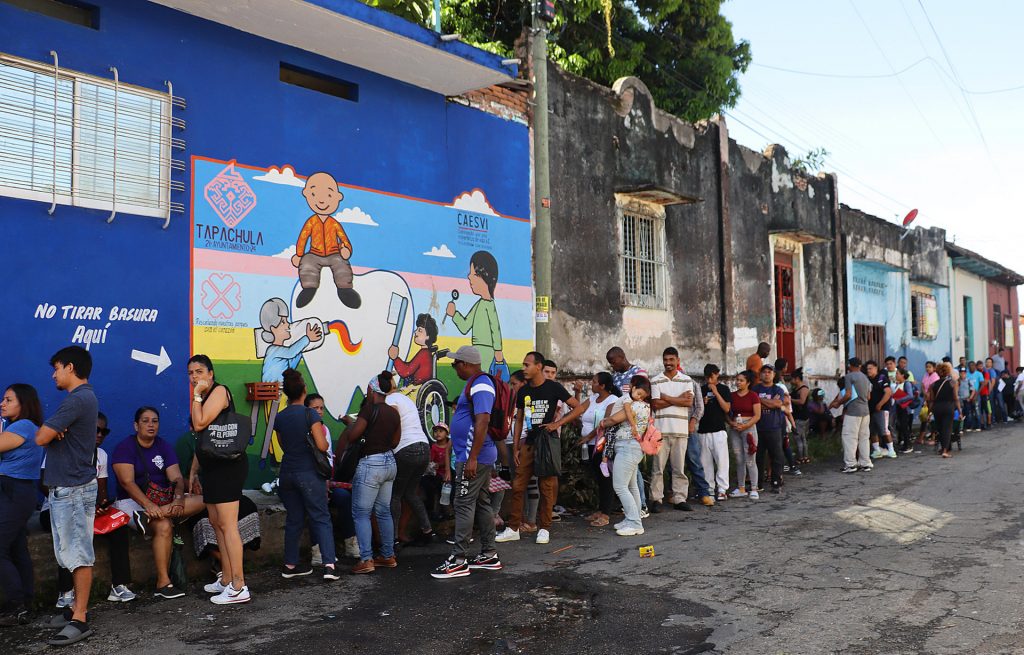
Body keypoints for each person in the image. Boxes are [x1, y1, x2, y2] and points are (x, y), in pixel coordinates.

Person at [34, 346, 99, 645]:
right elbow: (48, 433)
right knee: (69, 554)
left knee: (79, 555)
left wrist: (52, 430)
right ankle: (74, 609)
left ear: (70, 368)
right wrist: (54, 430)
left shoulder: (77, 400)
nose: (53, 374)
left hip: (73, 490)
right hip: (70, 488)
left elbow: (40, 437)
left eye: (57, 368)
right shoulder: (81, 400)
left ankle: (80, 618)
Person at [111, 407, 205, 598]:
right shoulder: (125, 447)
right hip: (131, 502)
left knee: (205, 499)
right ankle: (163, 582)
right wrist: (148, 505)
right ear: (136, 425)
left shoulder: (163, 446)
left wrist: (178, 498)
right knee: (163, 525)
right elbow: (126, 482)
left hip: (162, 502)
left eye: (155, 421)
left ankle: (148, 517)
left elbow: (177, 478)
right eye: (145, 421)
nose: (151, 425)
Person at [43, 412, 134, 608]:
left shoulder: (101, 455)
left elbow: (101, 491)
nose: (100, 434)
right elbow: (44, 483)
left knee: (119, 528)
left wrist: (100, 506)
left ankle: (119, 585)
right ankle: (66, 591)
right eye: (96, 430)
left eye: (104, 431)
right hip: (57, 507)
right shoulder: (61, 448)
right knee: (69, 530)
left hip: (87, 510)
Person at [431, 346, 504, 578]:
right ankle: (489, 554)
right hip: (476, 455)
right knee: (481, 502)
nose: (454, 368)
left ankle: (458, 559)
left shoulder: (481, 384)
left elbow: (483, 419)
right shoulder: (476, 383)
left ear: (465, 363)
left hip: (474, 457)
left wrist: (472, 457)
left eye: (455, 364)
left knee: (463, 503)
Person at [497, 351, 579, 545]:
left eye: (527, 365)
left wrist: (557, 424)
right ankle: (513, 528)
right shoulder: (524, 391)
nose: (524, 368)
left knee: (546, 487)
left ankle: (544, 528)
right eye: (524, 365)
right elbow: (518, 421)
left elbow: (579, 407)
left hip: (547, 444)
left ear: (538, 367)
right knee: (518, 486)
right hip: (529, 443)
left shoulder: (554, 387)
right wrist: (516, 447)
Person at [187, 354, 251, 604]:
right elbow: (202, 439)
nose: (195, 377)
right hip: (211, 467)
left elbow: (200, 423)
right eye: (191, 373)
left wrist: (197, 396)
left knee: (228, 525)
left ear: (211, 374)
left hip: (228, 467)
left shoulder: (220, 391)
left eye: (200, 371)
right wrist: (194, 469)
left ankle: (239, 585)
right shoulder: (203, 396)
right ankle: (226, 579)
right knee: (216, 523)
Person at [270, 369, 338, 580]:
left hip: (287, 473)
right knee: (321, 516)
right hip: (308, 473)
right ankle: (329, 565)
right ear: (304, 390)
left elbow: (282, 444)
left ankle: (290, 565)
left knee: (294, 519)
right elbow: (322, 444)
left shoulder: (280, 417)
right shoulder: (309, 414)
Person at [342, 372, 401, 573]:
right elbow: (395, 441)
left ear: (371, 390)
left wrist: (351, 424)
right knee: (383, 511)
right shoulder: (394, 412)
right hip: (389, 462)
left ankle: (366, 559)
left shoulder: (368, 409)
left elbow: (353, 436)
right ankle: (388, 555)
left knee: (361, 513)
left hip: (371, 464)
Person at [547, 372, 621, 527]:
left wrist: (589, 436)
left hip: (602, 444)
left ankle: (606, 513)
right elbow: (578, 410)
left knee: (605, 479)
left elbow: (605, 423)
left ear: (602, 386)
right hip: (589, 445)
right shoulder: (593, 399)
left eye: (594, 382)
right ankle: (600, 510)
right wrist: (560, 422)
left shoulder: (613, 400)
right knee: (598, 478)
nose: (591, 384)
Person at [0, 384, 45, 626]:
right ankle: (25, 603)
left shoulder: (23, 426)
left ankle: (16, 605)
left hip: (14, 491)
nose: (2, 404)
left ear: (23, 403)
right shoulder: (18, 427)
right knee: (16, 548)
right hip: (15, 491)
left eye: (8, 399)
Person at [650, 347, 712, 510]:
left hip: (681, 430)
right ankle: (657, 499)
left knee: (679, 468)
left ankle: (679, 498)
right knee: (658, 468)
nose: (668, 363)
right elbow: (655, 404)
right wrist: (678, 399)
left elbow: (689, 403)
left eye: (671, 360)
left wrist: (666, 397)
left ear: (678, 361)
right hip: (660, 430)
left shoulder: (686, 380)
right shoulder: (655, 380)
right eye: (665, 360)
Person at [292, 171, 360, 309]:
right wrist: (299, 255)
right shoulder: (311, 222)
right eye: (314, 194)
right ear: (307, 195)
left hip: (334, 253)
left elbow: (343, 238)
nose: (322, 200)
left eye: (329, 195)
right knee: (307, 264)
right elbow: (303, 238)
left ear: (337, 197)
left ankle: (345, 289)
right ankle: (309, 288)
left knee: (342, 265)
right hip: (314, 253)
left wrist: (346, 249)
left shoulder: (334, 224)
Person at [599, 375, 654, 536]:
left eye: (641, 394)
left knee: (620, 486)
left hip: (627, 447)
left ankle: (635, 523)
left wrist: (603, 422)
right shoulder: (644, 405)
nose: (639, 397)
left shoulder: (633, 405)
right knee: (631, 486)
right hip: (633, 447)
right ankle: (633, 518)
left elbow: (613, 420)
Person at [385, 372, 434, 547]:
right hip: (423, 447)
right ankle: (427, 530)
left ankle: (393, 538)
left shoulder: (390, 400)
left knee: (395, 495)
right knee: (411, 493)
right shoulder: (405, 398)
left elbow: (395, 419)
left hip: (406, 449)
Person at [446, 251, 508, 381]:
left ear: (483, 277)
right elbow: (464, 327)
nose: (469, 277)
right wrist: (454, 314)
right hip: (476, 352)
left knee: (483, 381)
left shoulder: (489, 305)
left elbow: (495, 330)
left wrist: (498, 355)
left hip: (487, 353)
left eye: (473, 274)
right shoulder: (479, 305)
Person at [605, 347, 650, 515]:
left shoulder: (639, 373)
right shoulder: (615, 376)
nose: (612, 365)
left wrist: (610, 420)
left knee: (631, 471)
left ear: (622, 357)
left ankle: (641, 507)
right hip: (620, 429)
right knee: (629, 474)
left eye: (613, 362)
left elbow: (639, 398)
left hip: (632, 426)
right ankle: (633, 508)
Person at [829, 357, 872, 473]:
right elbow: (868, 397)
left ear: (850, 366)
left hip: (853, 412)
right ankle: (865, 463)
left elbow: (848, 395)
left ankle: (851, 464)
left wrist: (839, 402)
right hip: (865, 411)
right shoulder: (865, 377)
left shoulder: (849, 377)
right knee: (864, 438)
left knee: (849, 437)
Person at [698, 364, 732, 502]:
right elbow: (697, 410)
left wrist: (716, 392)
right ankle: (709, 490)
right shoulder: (701, 390)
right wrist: (703, 403)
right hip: (703, 430)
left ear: (717, 374)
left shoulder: (724, 389)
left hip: (718, 430)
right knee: (705, 462)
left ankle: (722, 489)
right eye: (708, 377)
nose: (710, 380)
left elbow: (727, 408)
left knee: (722, 461)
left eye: (713, 376)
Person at [752, 365, 786, 492]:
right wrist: (769, 402)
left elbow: (777, 404)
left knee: (777, 456)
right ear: (760, 375)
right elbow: (755, 406)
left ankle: (776, 482)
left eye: (769, 372)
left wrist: (760, 400)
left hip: (774, 427)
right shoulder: (755, 389)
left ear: (773, 375)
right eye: (764, 372)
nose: (766, 374)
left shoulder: (778, 390)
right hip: (758, 427)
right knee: (758, 457)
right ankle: (758, 483)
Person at [726, 371, 761, 499]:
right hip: (735, 427)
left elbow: (757, 415)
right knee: (739, 458)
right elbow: (727, 412)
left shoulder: (753, 396)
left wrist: (745, 426)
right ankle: (741, 488)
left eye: (741, 380)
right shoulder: (732, 396)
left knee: (750, 459)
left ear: (748, 382)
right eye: (737, 380)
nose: (738, 382)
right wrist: (731, 423)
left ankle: (754, 488)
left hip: (749, 427)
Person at [389, 313, 439, 386]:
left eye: (420, 330)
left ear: (428, 336)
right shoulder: (425, 353)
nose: (415, 332)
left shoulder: (423, 354)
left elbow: (405, 372)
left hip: (417, 389)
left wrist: (395, 358)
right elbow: (410, 367)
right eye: (417, 330)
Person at [865, 361, 896, 459]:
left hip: (882, 409)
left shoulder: (882, 378)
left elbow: (888, 392)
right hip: (871, 409)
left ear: (876, 368)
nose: (868, 370)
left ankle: (891, 450)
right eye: (867, 369)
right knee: (872, 431)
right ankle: (877, 451)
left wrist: (880, 404)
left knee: (884, 430)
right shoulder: (868, 380)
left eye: (870, 368)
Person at [422, 422, 451, 520]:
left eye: (440, 431)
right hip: (437, 475)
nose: (437, 433)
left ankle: (448, 512)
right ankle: (437, 513)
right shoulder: (434, 447)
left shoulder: (450, 445)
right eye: (435, 431)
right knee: (438, 493)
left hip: (449, 474)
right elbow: (431, 461)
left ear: (446, 433)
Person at [930, 363, 960, 458]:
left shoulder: (933, 384)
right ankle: (945, 450)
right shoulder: (953, 383)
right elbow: (955, 398)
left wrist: (929, 412)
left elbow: (931, 400)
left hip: (937, 408)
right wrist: (960, 410)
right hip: (948, 407)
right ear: (947, 372)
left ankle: (944, 448)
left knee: (940, 428)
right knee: (947, 428)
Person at [890, 369, 916, 454]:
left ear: (903, 375)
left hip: (904, 408)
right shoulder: (898, 384)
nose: (896, 375)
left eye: (897, 374)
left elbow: (910, 395)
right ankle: (904, 443)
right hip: (899, 408)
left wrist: (899, 400)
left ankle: (908, 445)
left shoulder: (907, 383)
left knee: (904, 426)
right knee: (900, 426)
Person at [789, 369, 811, 465]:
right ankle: (804, 457)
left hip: (801, 417)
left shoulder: (803, 389)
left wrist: (790, 400)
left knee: (799, 438)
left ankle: (801, 457)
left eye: (792, 379)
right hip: (799, 416)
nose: (790, 381)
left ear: (797, 379)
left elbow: (801, 401)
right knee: (802, 438)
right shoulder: (797, 389)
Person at [917, 361, 939, 443]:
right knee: (924, 418)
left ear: (934, 368)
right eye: (926, 367)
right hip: (926, 400)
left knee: (932, 418)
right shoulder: (925, 375)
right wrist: (925, 393)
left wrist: (928, 394)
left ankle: (933, 438)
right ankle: (921, 438)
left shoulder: (935, 376)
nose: (928, 368)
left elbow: (932, 387)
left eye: (930, 367)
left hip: (932, 401)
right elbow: (922, 385)